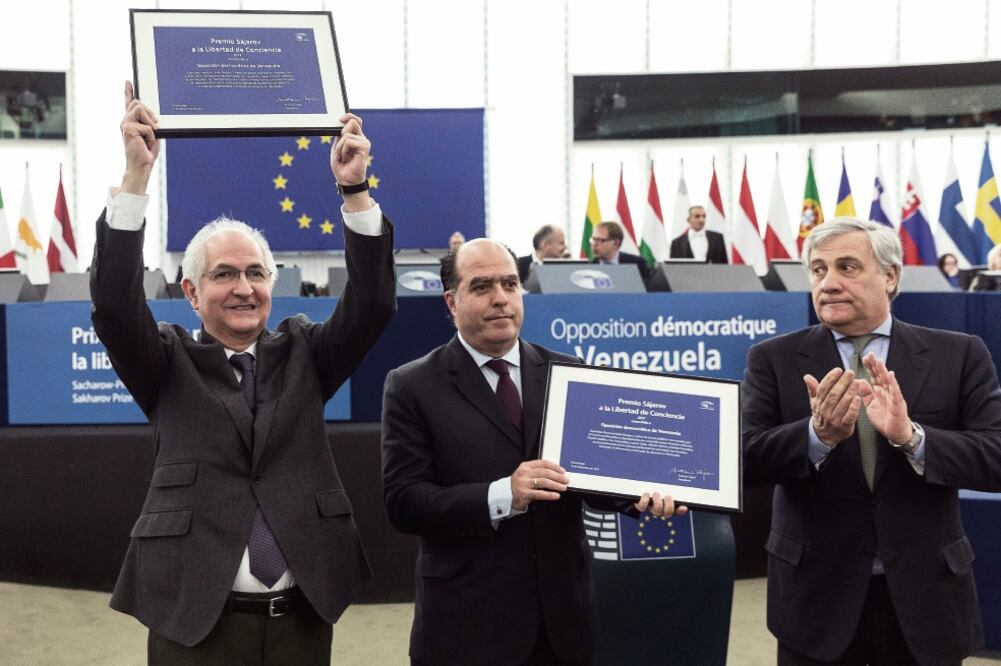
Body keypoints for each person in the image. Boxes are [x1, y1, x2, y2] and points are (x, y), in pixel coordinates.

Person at [90, 83, 397, 663]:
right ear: (191, 292)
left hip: (301, 620)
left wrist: (353, 190)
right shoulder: (164, 363)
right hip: (194, 622)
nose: (243, 287)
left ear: (272, 287)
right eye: (224, 274)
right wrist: (135, 177)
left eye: (255, 273)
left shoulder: (307, 352)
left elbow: (376, 305)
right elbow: (111, 305)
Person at [381, 238, 683, 665]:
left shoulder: (569, 372)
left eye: (510, 284)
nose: (501, 299)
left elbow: (590, 475)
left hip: (563, 624)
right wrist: (504, 494)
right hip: (466, 627)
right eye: (482, 286)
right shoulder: (411, 385)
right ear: (452, 301)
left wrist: (638, 494)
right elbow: (404, 503)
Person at [742, 217, 1001, 665]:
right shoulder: (773, 358)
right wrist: (815, 436)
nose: (830, 283)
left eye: (848, 267)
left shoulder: (958, 354)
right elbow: (743, 459)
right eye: (819, 270)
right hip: (815, 601)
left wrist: (911, 437)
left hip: (925, 601)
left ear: (890, 275)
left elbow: (995, 457)